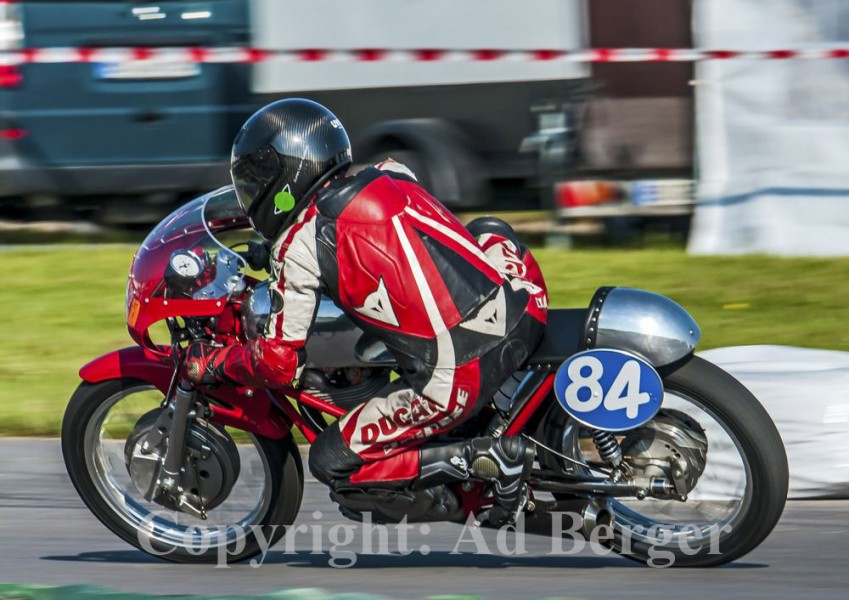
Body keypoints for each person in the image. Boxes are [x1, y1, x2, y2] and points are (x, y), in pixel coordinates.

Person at [185, 98, 548, 525]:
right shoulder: (390, 171)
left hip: (460, 373)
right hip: (523, 301)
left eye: (255, 178)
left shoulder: (299, 245)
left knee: (332, 461)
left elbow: (278, 364)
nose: (251, 192)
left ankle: (489, 460)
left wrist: (211, 364)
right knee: (488, 230)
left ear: (284, 175)